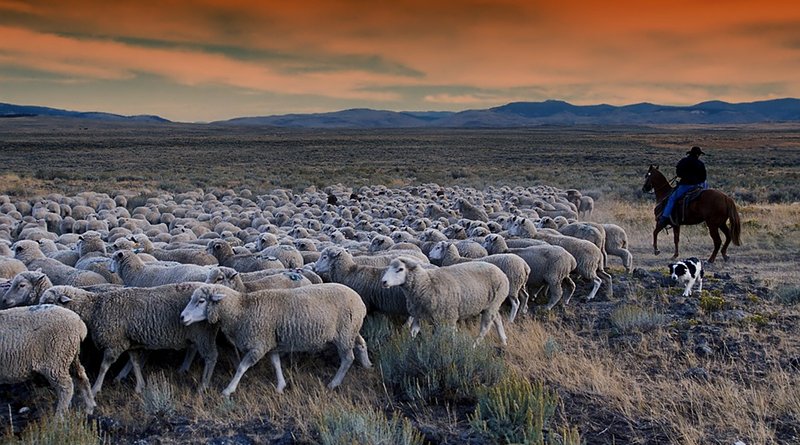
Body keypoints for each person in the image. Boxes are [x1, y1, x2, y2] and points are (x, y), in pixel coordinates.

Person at [659, 146, 708, 226]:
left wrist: (686, 178)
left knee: (672, 198)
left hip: (686, 185)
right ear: (698, 155)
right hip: (698, 185)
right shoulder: (700, 163)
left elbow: (678, 173)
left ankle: (664, 218)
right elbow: (704, 177)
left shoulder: (683, 161)